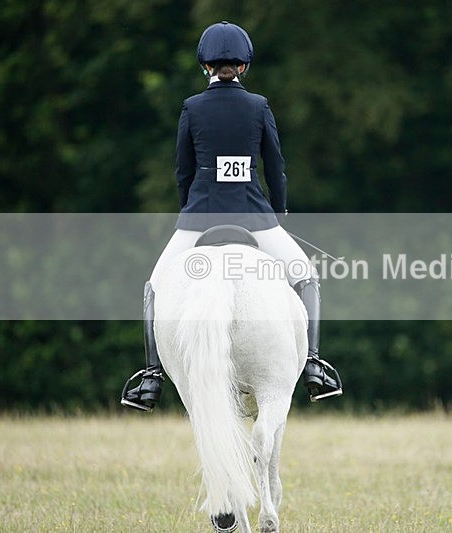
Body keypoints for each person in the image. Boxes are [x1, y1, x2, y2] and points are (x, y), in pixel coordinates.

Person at [121, 21, 343, 411]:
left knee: (154, 287)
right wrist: (278, 214)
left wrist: (188, 210)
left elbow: (183, 171)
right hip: (256, 218)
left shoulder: (191, 107)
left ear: (205, 65)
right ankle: (313, 365)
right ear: (244, 66)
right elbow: (275, 168)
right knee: (305, 276)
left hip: (198, 218)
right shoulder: (259, 106)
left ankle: (151, 376)